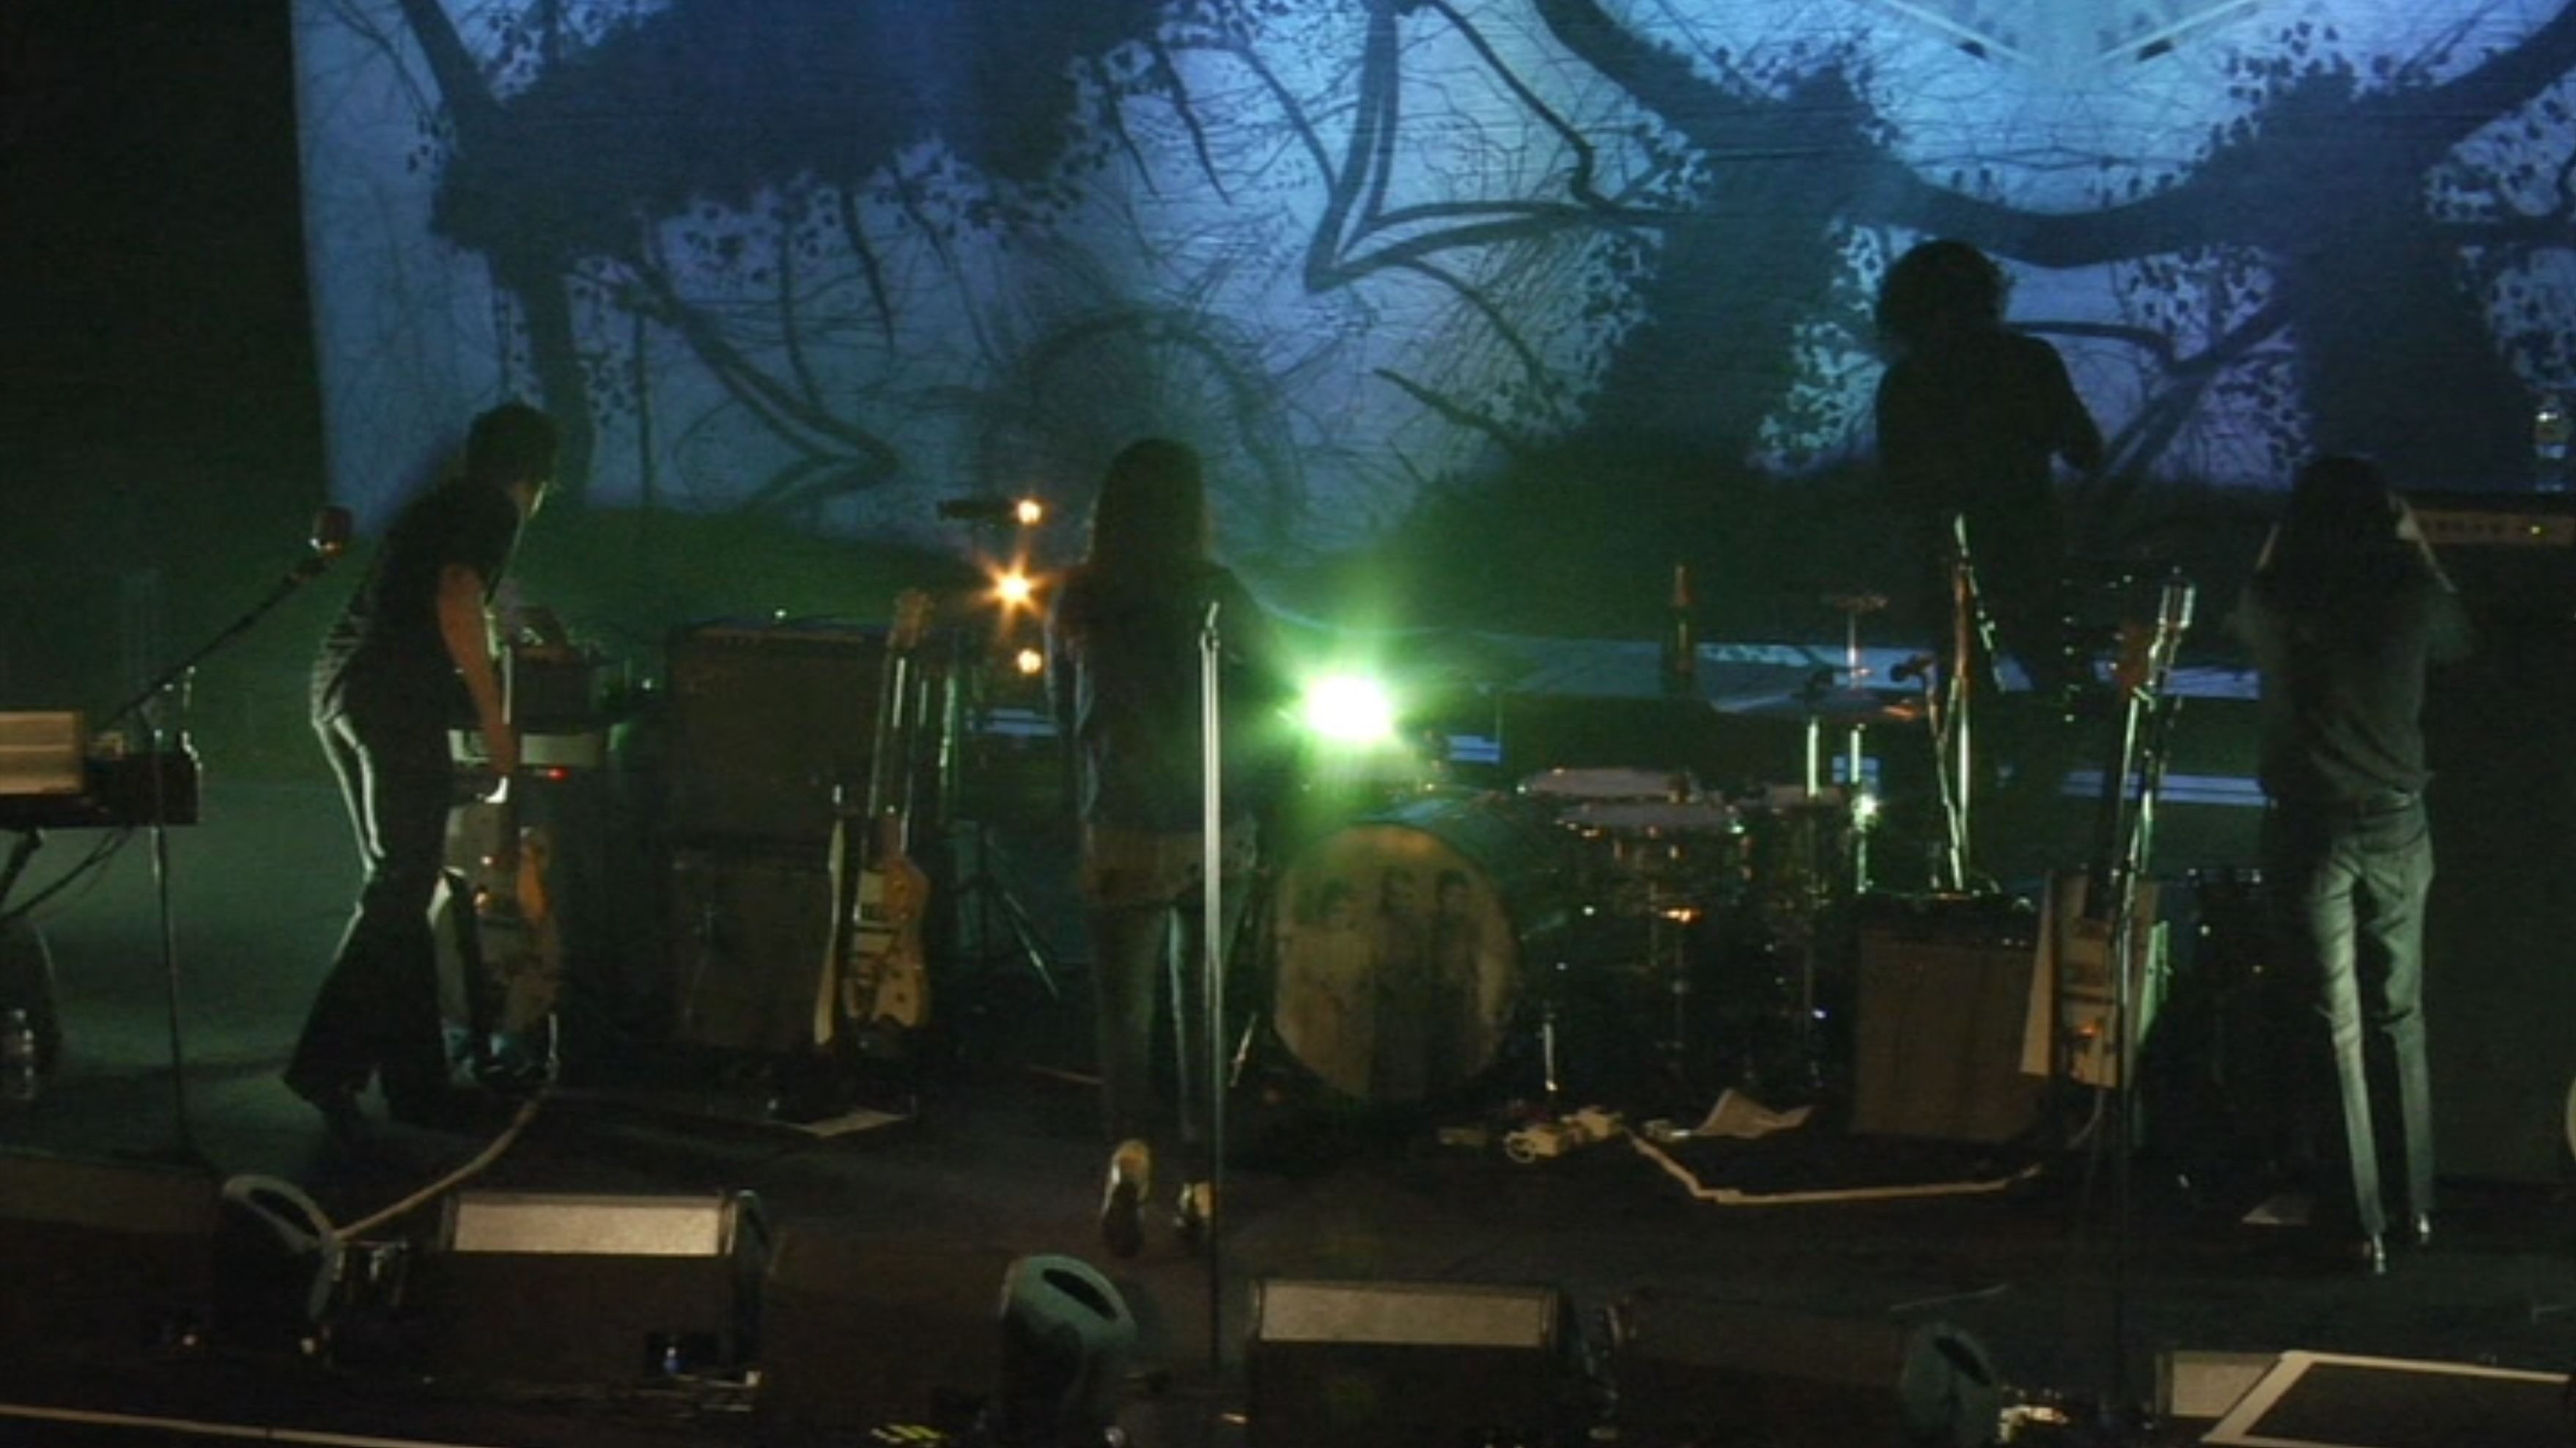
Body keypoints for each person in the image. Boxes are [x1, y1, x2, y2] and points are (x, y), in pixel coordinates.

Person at [284, 402, 557, 1142]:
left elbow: (462, 591)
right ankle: (324, 1064)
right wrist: (495, 717)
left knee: (402, 885)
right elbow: (457, 596)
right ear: (541, 473)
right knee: (401, 882)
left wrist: (520, 625)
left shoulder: (449, 503)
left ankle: (416, 1086)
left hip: (340, 684)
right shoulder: (493, 509)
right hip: (390, 696)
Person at [1044, 438, 1288, 1257]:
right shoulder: (1214, 592)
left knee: (1123, 1013)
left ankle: (1128, 1160)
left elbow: (1056, 709)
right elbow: (1289, 678)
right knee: (1204, 1007)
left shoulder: (1077, 595)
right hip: (1214, 825)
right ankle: (1203, 1185)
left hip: (1116, 823)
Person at [2234, 454, 2470, 1274]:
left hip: (2309, 829)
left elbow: (2245, 607)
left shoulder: (2277, 600)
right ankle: (2415, 1208)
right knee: (2395, 1017)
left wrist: (2281, 536)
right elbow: (2456, 638)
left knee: (2329, 1027)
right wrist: (2413, 538)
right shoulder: (2410, 597)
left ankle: (2356, 1222)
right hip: (2400, 823)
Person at [1875, 239, 2104, 871]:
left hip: (1943, 555)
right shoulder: (2028, 361)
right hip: (2028, 548)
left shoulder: (1907, 378)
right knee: (2068, 689)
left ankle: (1966, 830)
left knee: (1962, 694)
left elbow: (1897, 487)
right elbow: (2086, 450)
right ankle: (2021, 807)